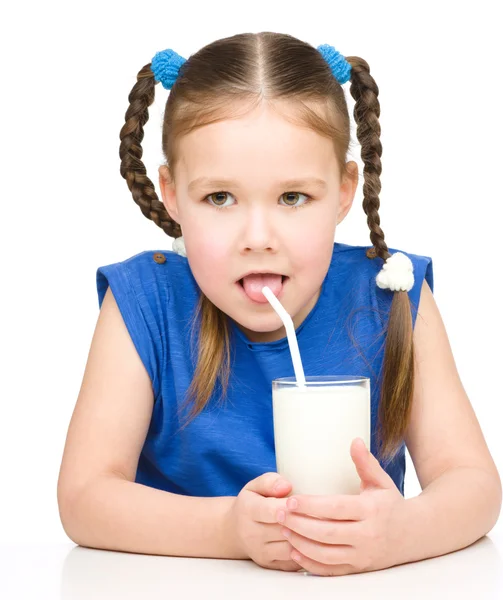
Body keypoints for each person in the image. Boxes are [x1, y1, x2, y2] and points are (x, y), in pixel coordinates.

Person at [57, 32, 501, 577]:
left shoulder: (392, 295)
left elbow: (474, 485)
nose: (258, 237)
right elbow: (83, 499)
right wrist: (229, 530)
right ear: (173, 195)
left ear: (343, 190)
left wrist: (400, 532)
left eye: (293, 197)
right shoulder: (145, 304)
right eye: (220, 197)